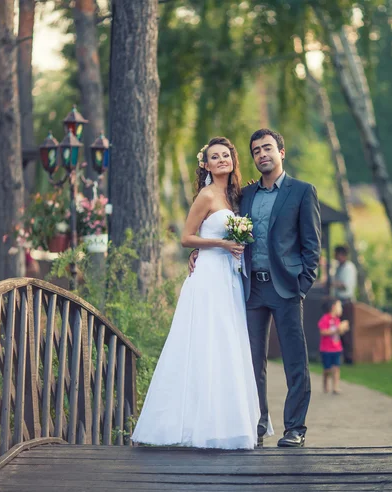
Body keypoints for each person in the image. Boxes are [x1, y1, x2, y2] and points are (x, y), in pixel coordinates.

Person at [132, 137, 269, 450]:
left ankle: (225, 425)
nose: (221, 160)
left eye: (225, 155)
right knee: (203, 343)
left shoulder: (237, 196)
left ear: (233, 159)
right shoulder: (207, 195)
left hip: (230, 279)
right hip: (208, 277)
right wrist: (219, 245)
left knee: (227, 347)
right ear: (205, 164)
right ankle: (187, 425)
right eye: (214, 157)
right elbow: (186, 237)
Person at [190, 129, 321, 448]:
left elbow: (312, 246)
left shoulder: (302, 191)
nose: (262, 154)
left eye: (268, 148)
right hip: (249, 289)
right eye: (256, 151)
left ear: (281, 152)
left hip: (287, 289)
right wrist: (200, 250)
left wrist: (301, 285)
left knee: (294, 360)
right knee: (250, 362)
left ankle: (295, 428)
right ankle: (258, 421)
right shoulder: (244, 196)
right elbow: (220, 225)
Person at [318, 297, 349, 394]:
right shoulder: (325, 319)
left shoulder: (337, 320)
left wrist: (343, 328)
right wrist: (336, 329)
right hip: (326, 349)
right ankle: (325, 382)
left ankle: (335, 387)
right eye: (339, 306)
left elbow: (339, 333)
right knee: (327, 369)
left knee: (336, 368)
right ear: (333, 307)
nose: (341, 309)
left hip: (337, 348)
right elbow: (323, 332)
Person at [333, 245, 357, 364]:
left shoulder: (349, 268)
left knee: (346, 330)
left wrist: (333, 283)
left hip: (346, 302)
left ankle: (349, 357)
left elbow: (345, 285)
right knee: (339, 330)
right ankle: (341, 356)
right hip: (339, 302)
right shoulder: (339, 268)